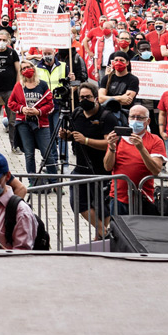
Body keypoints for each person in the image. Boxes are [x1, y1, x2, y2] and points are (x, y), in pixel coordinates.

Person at [58, 81, 119, 237]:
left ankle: (100, 236)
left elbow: (109, 144)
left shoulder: (107, 117)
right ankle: (102, 231)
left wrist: (86, 141)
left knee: (102, 205)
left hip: (102, 168)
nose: (84, 100)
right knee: (78, 202)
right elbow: (75, 136)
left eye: (88, 97)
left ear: (96, 97)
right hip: (81, 166)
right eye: (81, 97)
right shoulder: (77, 113)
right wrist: (68, 136)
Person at [104, 104, 166, 216]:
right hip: (118, 198)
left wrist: (141, 149)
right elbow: (108, 167)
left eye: (140, 118)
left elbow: (156, 170)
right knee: (118, 232)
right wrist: (112, 147)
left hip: (143, 198)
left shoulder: (155, 141)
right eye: (132, 117)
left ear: (148, 121)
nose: (135, 120)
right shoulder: (118, 139)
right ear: (128, 119)